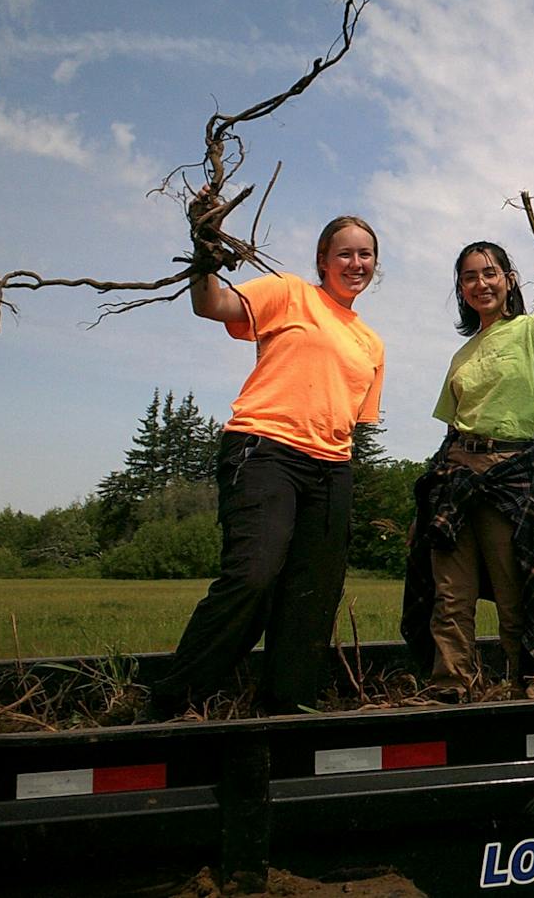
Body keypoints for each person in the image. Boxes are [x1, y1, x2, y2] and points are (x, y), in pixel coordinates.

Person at [148, 211, 384, 717]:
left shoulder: (371, 343)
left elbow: (352, 421)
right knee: (253, 575)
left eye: (365, 255)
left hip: (332, 468)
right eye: (344, 253)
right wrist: (205, 252)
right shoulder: (290, 292)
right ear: (323, 261)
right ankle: (173, 704)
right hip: (264, 450)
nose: (355, 263)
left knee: (313, 593)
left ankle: (286, 706)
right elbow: (213, 304)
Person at [401, 228, 534, 700]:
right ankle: (451, 685)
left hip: (510, 477)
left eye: (489, 273)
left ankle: (532, 686)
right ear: (460, 289)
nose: (481, 284)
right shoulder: (462, 354)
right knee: (450, 597)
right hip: (455, 480)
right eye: (469, 277)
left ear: (510, 280)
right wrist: (424, 509)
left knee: (517, 592)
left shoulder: (533, 331)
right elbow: (452, 431)